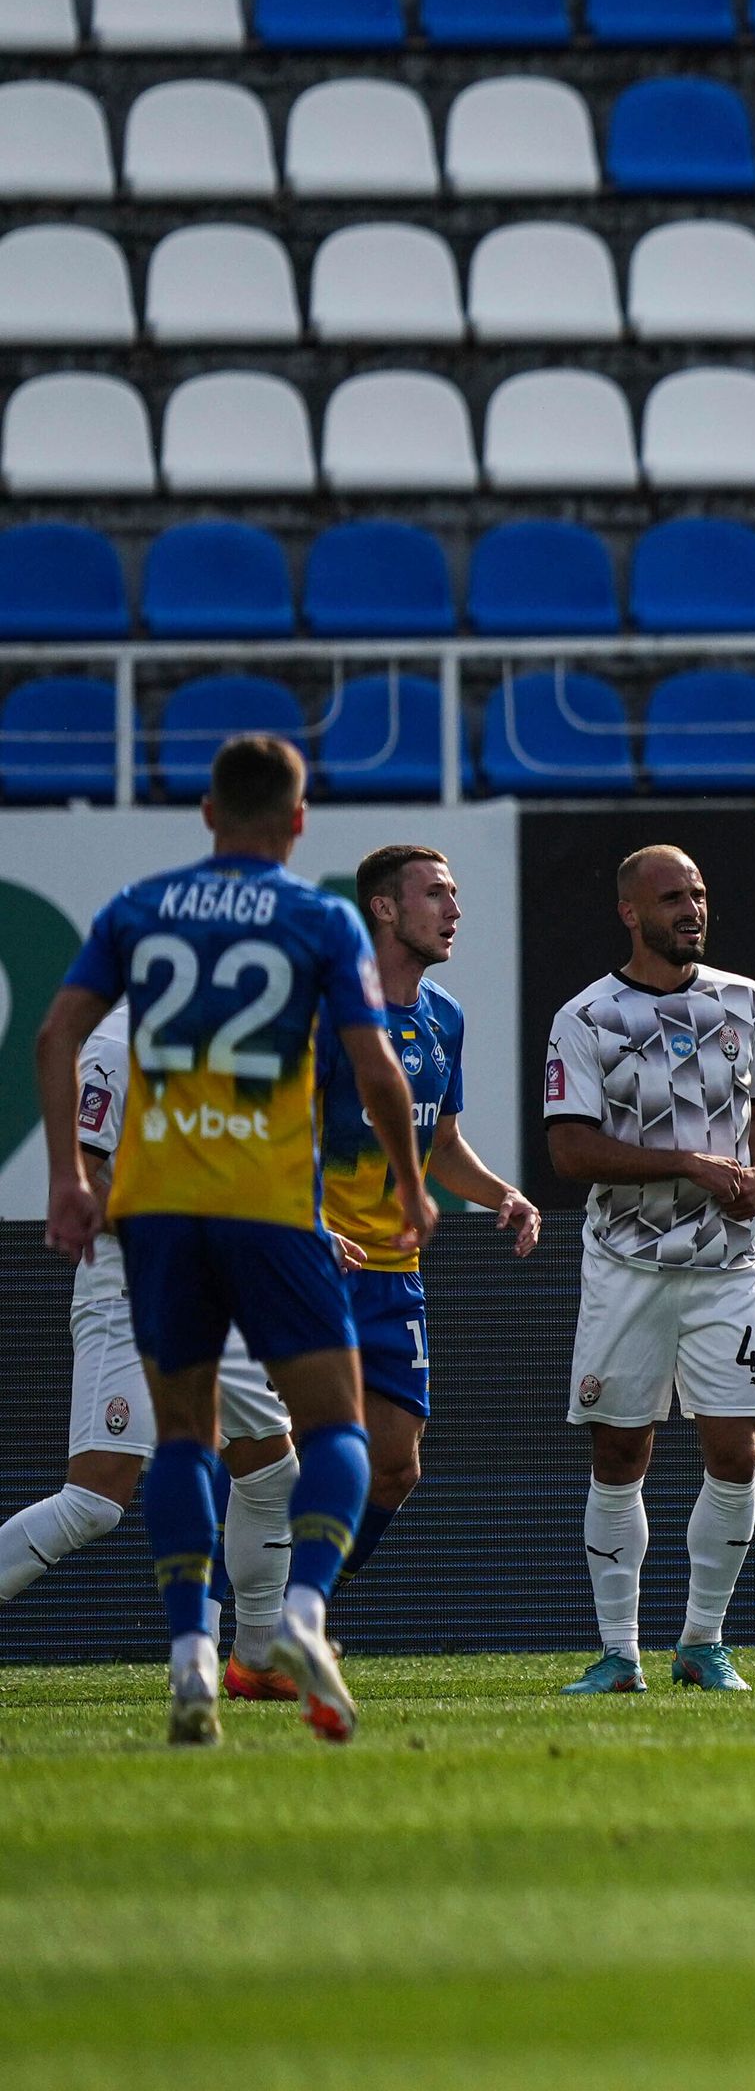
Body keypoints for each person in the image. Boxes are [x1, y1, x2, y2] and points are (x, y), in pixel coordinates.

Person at [27, 733, 429, 1746]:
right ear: (298, 822)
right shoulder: (318, 916)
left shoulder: (138, 908)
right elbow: (377, 1071)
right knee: (337, 1428)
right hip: (268, 1204)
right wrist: (413, 1185)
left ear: (207, 812)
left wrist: (69, 1181)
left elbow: (52, 1035)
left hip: (159, 1214)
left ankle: (196, 1656)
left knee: (191, 1440)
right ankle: (300, 1614)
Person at [0, 1007, 304, 1709]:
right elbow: (88, 1167)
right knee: (94, 1502)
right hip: (132, 1287)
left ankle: (258, 1660)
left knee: (270, 1466)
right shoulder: (117, 1040)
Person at [544, 845, 755, 1697]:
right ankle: (620, 1653)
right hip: (627, 1265)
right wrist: (686, 1161)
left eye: (700, 895)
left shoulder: (741, 999)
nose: (692, 909)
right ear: (629, 912)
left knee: (736, 1450)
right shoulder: (586, 1016)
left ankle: (704, 1642)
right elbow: (569, 1149)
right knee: (620, 1451)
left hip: (727, 1264)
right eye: (673, 897)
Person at [319, 845, 544, 1608]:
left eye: (455, 894)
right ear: (384, 908)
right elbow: (269, 1138)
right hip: (312, 1265)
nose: (454, 911)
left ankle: (296, 1603)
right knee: (278, 1456)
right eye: (436, 895)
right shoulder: (326, 1012)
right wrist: (305, 1224)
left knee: (396, 1468)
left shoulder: (443, 1017)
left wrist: (499, 1194)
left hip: (393, 1275)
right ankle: (250, 1621)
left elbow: (440, 1143)